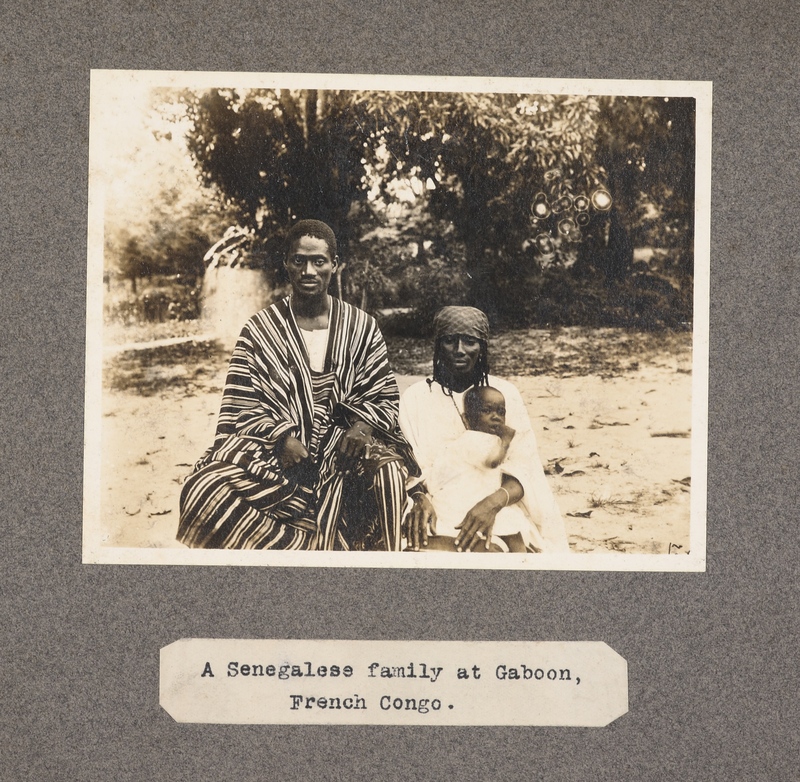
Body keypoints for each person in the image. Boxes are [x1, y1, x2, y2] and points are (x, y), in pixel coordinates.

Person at [178, 220, 414, 551]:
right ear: (286, 263)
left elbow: (384, 396)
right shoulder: (260, 329)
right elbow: (242, 405)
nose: (309, 271)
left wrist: (362, 426)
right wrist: (281, 439)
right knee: (205, 489)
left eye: (319, 261)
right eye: (299, 260)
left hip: (345, 453)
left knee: (388, 477)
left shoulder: (362, 327)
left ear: (334, 264)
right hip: (277, 458)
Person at [399, 306, 568, 554]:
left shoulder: (504, 393)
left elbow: (525, 468)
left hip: (497, 503)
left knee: (501, 550)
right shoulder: (416, 397)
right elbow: (409, 467)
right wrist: (419, 498)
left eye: (469, 341)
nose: (459, 350)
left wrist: (491, 504)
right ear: (437, 345)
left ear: (483, 346)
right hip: (438, 506)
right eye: (449, 341)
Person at [426, 385, 528, 552]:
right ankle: (524, 559)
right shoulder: (478, 439)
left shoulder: (465, 442)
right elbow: (493, 462)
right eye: (487, 411)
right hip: (468, 502)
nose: (496, 417)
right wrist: (506, 442)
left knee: (509, 520)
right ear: (467, 420)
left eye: (501, 412)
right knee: (511, 522)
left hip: (462, 499)